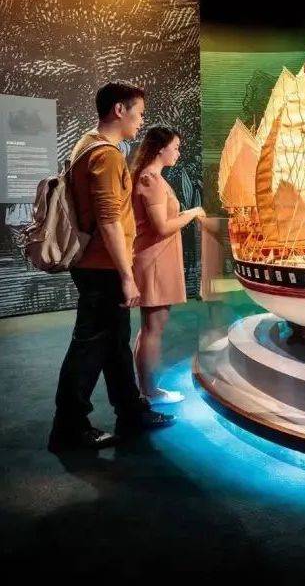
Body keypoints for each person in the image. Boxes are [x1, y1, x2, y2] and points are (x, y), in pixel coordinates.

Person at [48, 83, 175, 452]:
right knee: (88, 349)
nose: (141, 121)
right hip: (103, 268)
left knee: (116, 344)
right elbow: (109, 222)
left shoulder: (86, 145)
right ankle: (69, 428)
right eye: (139, 112)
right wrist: (126, 275)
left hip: (97, 266)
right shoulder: (107, 156)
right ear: (120, 110)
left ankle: (131, 412)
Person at [130, 126, 205, 403]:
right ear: (161, 149)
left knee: (150, 327)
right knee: (154, 328)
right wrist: (193, 213)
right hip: (155, 260)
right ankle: (150, 392)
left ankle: (147, 389)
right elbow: (161, 227)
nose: (178, 152)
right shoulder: (150, 180)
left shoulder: (152, 178)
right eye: (175, 147)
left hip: (157, 258)